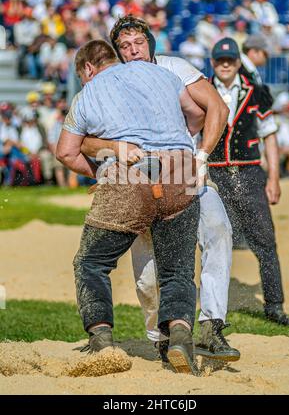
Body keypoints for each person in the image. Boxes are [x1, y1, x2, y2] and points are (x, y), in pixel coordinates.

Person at [81, 16, 240, 362]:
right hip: (136, 180)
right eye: (124, 45)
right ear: (117, 52)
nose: (132, 49)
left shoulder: (173, 67)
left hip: (187, 172)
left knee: (217, 230)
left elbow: (217, 107)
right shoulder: (116, 79)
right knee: (148, 275)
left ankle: (212, 325)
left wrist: (198, 155)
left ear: (150, 43)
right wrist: (110, 162)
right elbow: (87, 137)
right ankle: (162, 338)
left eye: (138, 42)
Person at [56, 39, 206, 376]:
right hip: (181, 172)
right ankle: (179, 337)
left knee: (91, 262)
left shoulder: (89, 93)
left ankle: (102, 341)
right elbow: (196, 114)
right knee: (177, 270)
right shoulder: (162, 75)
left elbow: (65, 152)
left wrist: (102, 171)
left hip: (127, 175)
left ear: (88, 69)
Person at [208, 37, 289, 326]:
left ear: (236, 61)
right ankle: (214, 311)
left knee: (265, 240)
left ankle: (274, 305)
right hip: (215, 174)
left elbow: (269, 135)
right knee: (213, 241)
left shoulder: (257, 92)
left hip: (249, 172)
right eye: (219, 60)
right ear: (212, 63)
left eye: (229, 60)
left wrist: (273, 177)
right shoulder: (202, 91)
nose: (224, 65)